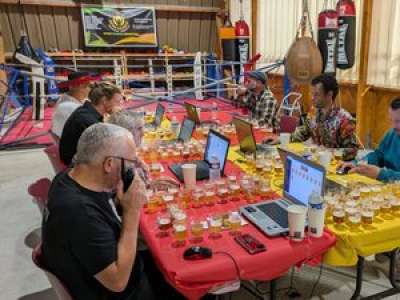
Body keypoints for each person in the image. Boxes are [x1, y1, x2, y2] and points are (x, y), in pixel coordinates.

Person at [41, 123, 154, 300]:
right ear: (109, 164)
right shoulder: (80, 213)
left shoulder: (68, 178)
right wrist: (132, 212)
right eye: (130, 162)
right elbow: (118, 282)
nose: (131, 168)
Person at [267, 74, 359, 161]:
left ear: (329, 95)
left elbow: (352, 151)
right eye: (312, 93)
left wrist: (329, 152)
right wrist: (280, 139)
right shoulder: (314, 112)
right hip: (317, 162)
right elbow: (303, 132)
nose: (312, 98)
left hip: (335, 166)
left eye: (316, 94)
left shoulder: (344, 119)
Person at [59, 82, 122, 165]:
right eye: (117, 102)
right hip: (77, 167)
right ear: (104, 101)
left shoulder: (84, 111)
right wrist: (117, 119)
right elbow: (109, 147)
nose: (120, 105)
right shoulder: (90, 121)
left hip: (73, 159)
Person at [340, 97, 400, 181]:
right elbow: (378, 155)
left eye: (398, 121)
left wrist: (381, 174)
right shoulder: (392, 133)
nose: (393, 126)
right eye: (391, 121)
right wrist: (358, 164)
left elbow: (382, 173)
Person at [51, 71, 95, 142]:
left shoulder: (80, 99)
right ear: (80, 86)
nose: (90, 89)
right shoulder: (67, 106)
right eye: (89, 86)